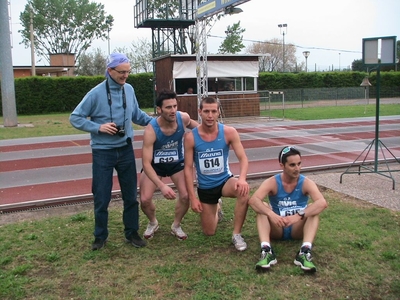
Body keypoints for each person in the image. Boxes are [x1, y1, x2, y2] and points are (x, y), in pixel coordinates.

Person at [70, 53, 153, 251]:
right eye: (122, 72)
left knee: (131, 195)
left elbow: (137, 115)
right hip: (102, 152)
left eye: (128, 72)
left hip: (125, 149)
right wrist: (98, 128)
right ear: (110, 71)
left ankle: (132, 233)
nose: (125, 76)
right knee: (101, 196)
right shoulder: (96, 93)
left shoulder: (129, 89)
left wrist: (158, 123)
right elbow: (75, 117)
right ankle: (100, 236)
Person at [183, 96, 250, 251]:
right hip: (206, 187)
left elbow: (243, 158)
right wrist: (193, 198)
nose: (210, 115)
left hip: (225, 181)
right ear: (200, 112)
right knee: (209, 232)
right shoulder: (191, 137)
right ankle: (216, 206)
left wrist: (242, 179)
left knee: (243, 191)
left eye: (214, 111)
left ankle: (236, 234)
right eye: (206, 111)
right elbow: (188, 168)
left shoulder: (229, 132)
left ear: (219, 112)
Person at [248, 146, 328, 272]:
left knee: (313, 209)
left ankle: (304, 252)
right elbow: (253, 200)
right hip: (277, 227)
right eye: (292, 165)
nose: (297, 168)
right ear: (282, 165)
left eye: (299, 164)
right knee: (262, 207)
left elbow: (322, 203)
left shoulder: (305, 182)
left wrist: (297, 216)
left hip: (297, 227)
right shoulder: (273, 181)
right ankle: (267, 251)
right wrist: (271, 214)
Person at [140, 89, 198, 240]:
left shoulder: (182, 118)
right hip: (155, 166)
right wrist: (161, 185)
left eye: (174, 106)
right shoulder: (151, 130)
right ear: (159, 110)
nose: (173, 111)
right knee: (145, 200)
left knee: (185, 196)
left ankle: (176, 225)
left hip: (176, 163)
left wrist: (216, 132)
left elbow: (197, 127)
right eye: (168, 107)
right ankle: (153, 222)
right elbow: (145, 163)